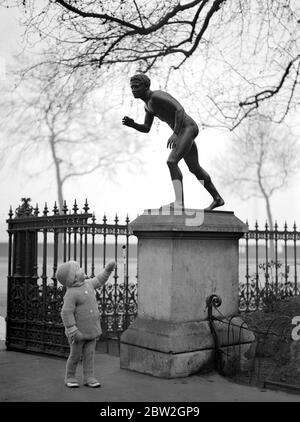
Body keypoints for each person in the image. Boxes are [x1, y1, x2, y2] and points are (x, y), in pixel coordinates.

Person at [122, 73, 224, 211]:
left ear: (146, 86)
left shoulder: (156, 96)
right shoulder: (147, 106)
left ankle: (179, 203)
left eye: (136, 86)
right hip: (183, 132)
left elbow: (180, 109)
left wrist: (176, 133)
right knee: (194, 168)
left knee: (171, 162)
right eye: (132, 87)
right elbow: (146, 128)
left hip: (187, 128)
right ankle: (217, 199)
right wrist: (133, 124)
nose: (133, 89)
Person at [56, 259, 116, 388]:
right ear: (73, 278)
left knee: (89, 355)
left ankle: (89, 377)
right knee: (75, 356)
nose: (82, 269)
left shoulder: (88, 284)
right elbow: (66, 312)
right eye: (78, 269)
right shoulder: (71, 294)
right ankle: (70, 376)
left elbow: (99, 280)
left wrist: (108, 270)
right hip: (78, 333)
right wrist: (73, 330)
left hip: (91, 331)